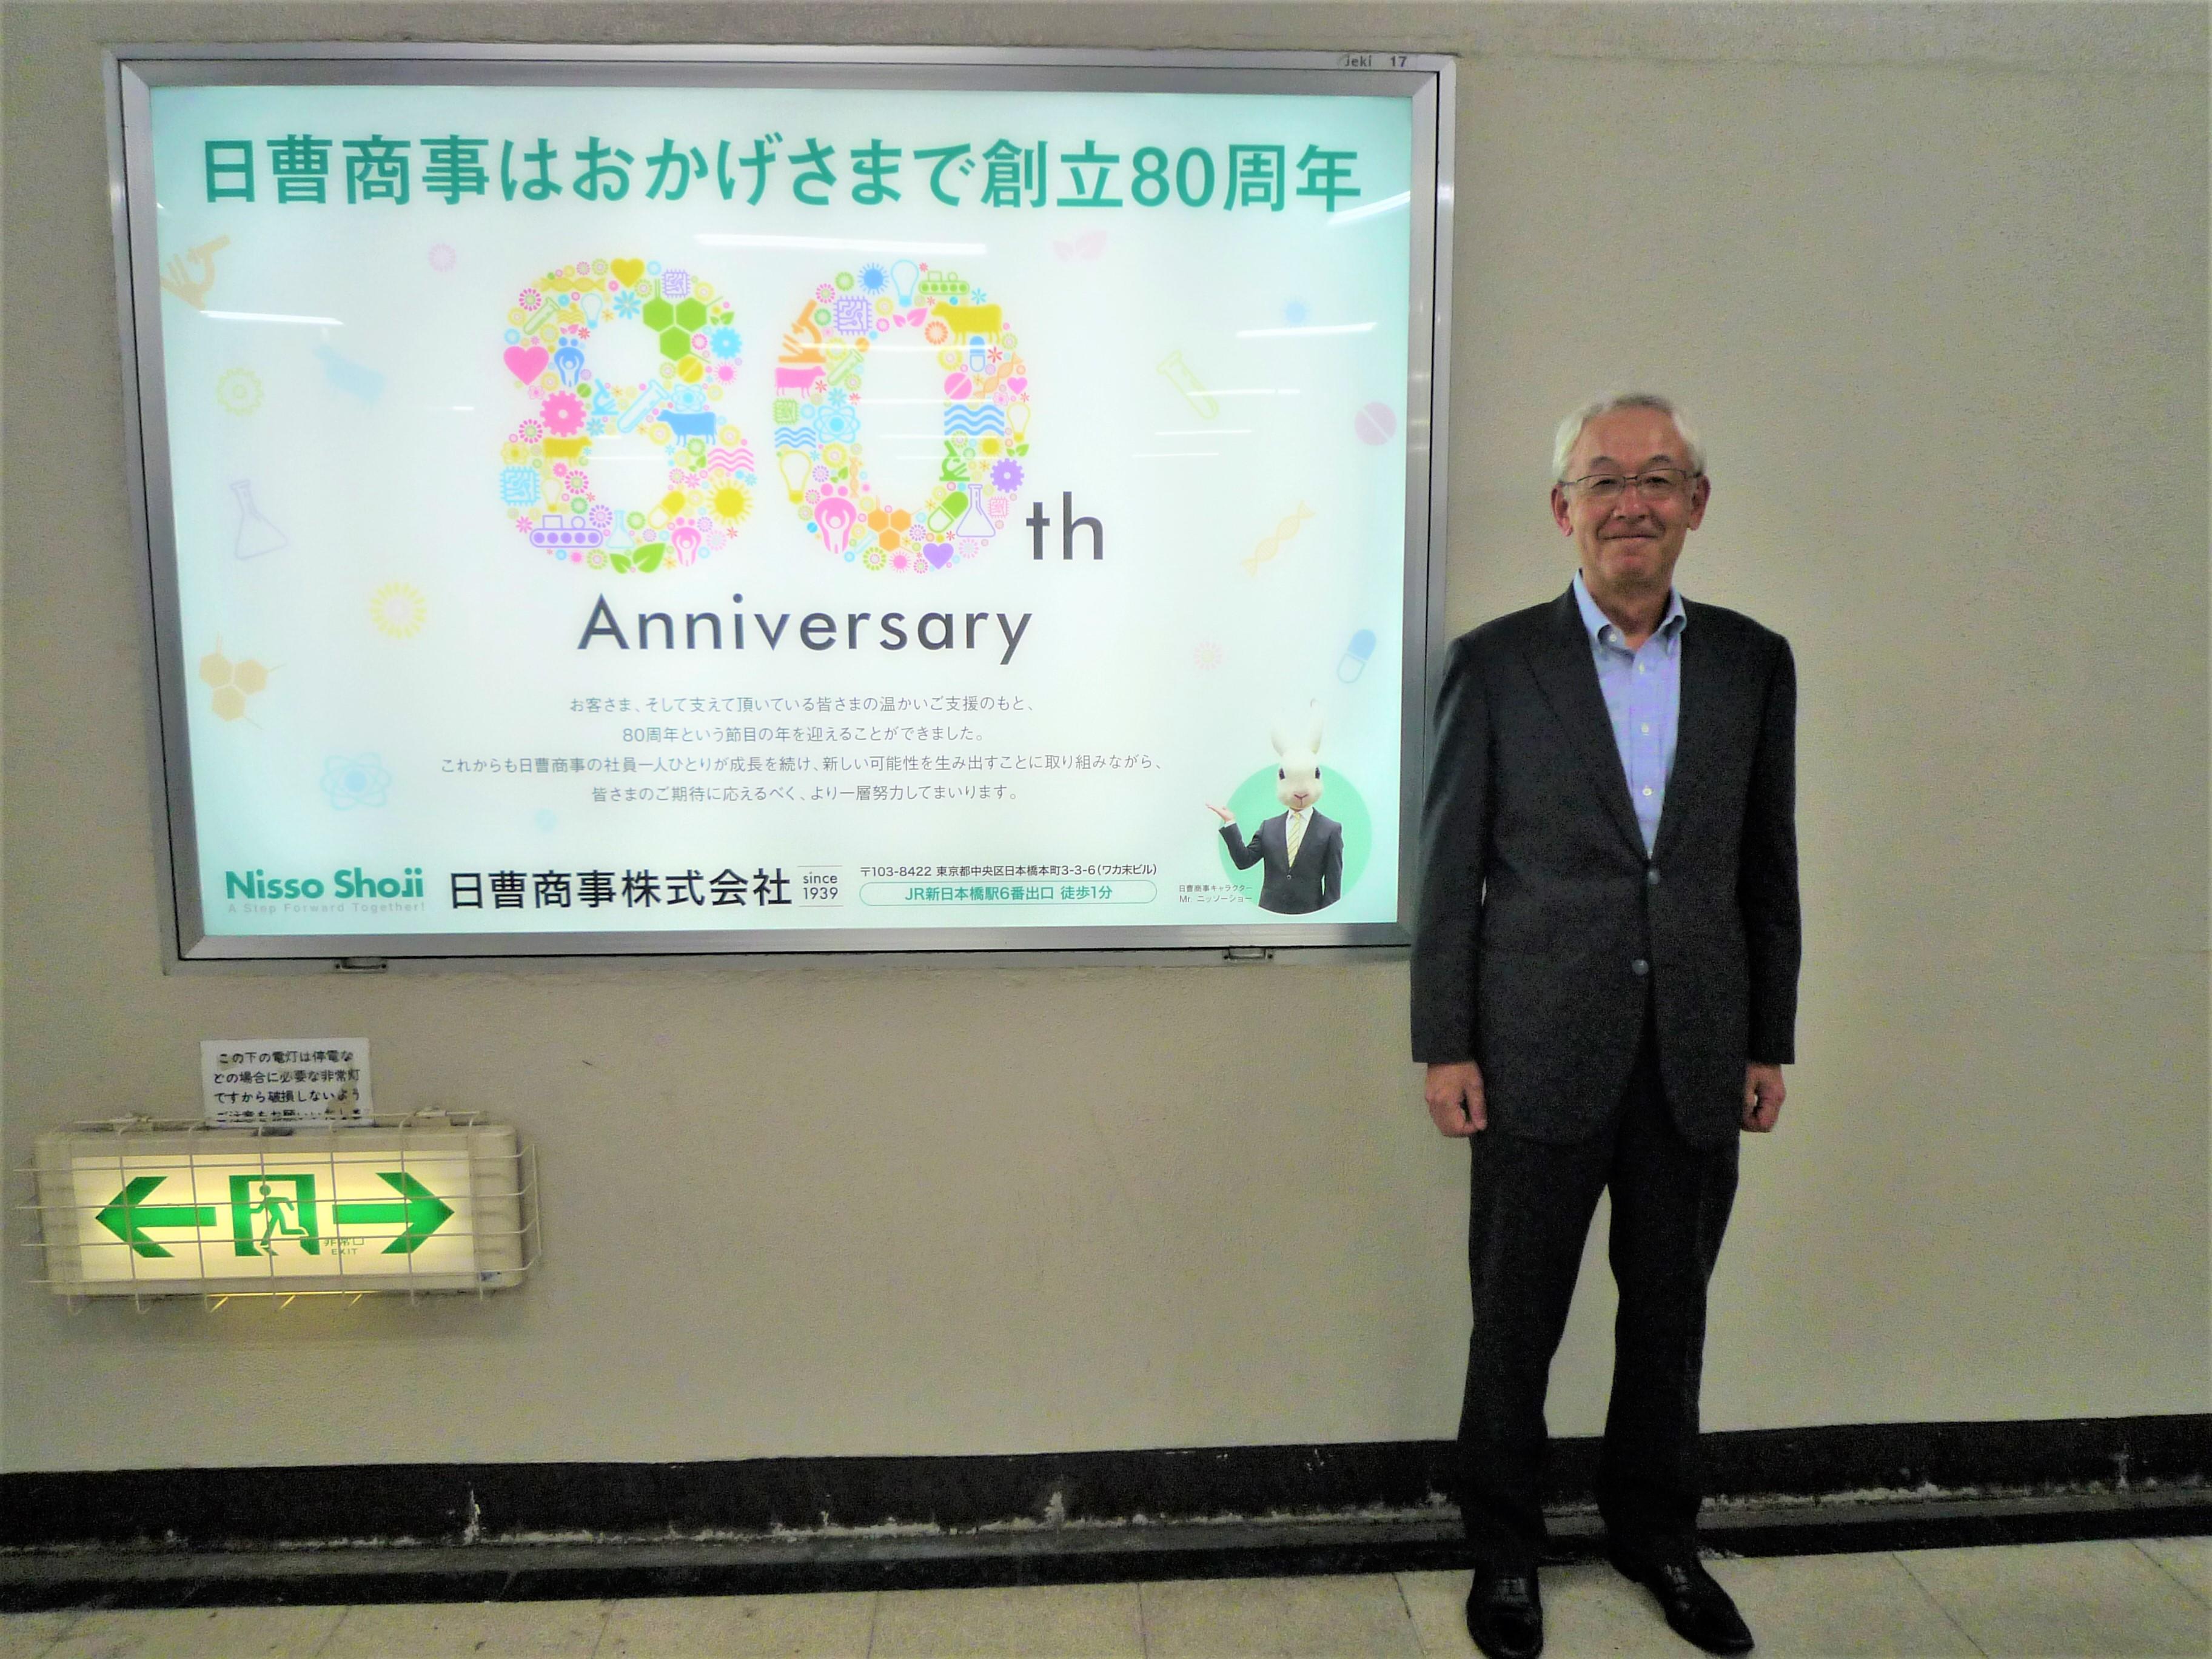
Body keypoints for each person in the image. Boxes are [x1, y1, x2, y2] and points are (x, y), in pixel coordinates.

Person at [1411, 394, 1800, 1658]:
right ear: (1563, 509)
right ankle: (1505, 1552)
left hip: (1695, 1048)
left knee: (1672, 1316)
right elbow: (1449, 873)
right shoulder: (1497, 662)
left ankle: (1657, 1537)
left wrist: (1767, 1038)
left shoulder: (1752, 662)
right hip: (1532, 1051)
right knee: (1516, 1315)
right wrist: (1446, 1043)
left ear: (1696, 500)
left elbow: (1764, 867)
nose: (1633, 500)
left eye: (1660, 477)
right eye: (1604, 478)